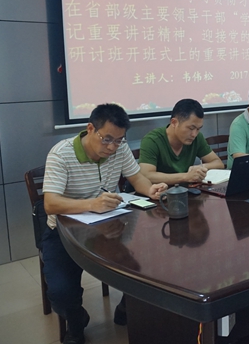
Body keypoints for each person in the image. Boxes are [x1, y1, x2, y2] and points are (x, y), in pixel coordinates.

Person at [42, 104, 168, 344]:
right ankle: (77, 322)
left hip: (110, 225)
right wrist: (92, 204)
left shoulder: (119, 149)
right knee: (60, 293)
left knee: (147, 262)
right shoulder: (61, 154)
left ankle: (126, 307)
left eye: (119, 140)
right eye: (107, 139)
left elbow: (136, 178)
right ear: (90, 128)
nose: (112, 147)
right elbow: (50, 203)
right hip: (64, 232)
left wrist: (150, 189)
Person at [139, 99, 224, 184]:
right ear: (174, 123)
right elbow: (146, 175)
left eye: (198, 129)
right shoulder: (152, 140)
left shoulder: (197, 138)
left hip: (188, 190)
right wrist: (186, 177)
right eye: (191, 128)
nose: (194, 134)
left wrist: (200, 168)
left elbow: (219, 163)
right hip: (162, 191)